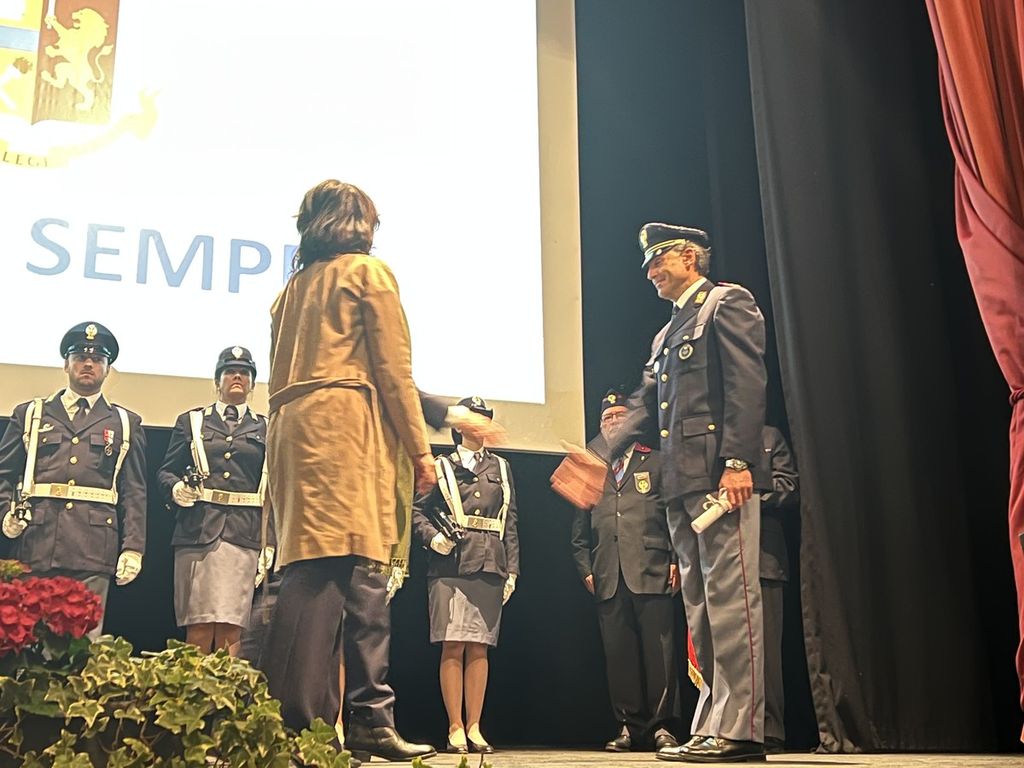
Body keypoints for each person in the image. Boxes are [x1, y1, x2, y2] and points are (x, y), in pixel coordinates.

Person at [554, 223, 769, 763]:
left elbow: (746, 385)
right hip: (679, 485)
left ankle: (741, 729)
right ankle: (713, 722)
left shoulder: (726, 304)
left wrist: (739, 462)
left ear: (689, 256)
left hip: (719, 481)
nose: (650, 272)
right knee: (701, 610)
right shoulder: (667, 333)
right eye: (648, 264)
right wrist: (598, 455)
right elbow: (645, 408)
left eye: (658, 261)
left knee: (732, 604)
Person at [258, 179, 436, 761]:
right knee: (327, 573)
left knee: (350, 575)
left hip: (293, 432)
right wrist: (421, 451)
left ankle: (367, 719)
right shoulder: (367, 274)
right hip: (342, 430)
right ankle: (303, 725)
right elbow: (393, 371)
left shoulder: (290, 291)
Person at [0, 321, 146, 639]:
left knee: (83, 644)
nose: (88, 364)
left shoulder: (125, 422)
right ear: (66, 364)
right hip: (37, 543)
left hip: (93, 549)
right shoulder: (31, 414)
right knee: (29, 642)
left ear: (108, 369)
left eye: (97, 359)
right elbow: (4, 476)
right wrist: (4, 515)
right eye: (80, 357)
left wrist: (133, 548)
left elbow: (134, 492)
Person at [570, 388, 680, 753]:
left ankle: (662, 727)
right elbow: (579, 530)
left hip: (652, 566)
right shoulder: (590, 468)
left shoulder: (656, 461)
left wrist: (677, 559)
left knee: (660, 653)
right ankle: (628, 726)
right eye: (607, 418)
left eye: (620, 416)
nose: (614, 422)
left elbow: (673, 515)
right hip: (607, 572)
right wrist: (585, 568)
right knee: (619, 656)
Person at [412, 396, 519, 755]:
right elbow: (417, 513)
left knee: (479, 646)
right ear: (459, 426)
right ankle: (455, 726)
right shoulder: (441, 466)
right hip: (451, 564)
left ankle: (475, 726)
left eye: (486, 418)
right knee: (453, 644)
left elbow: (510, 522)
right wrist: (434, 539)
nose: (481, 424)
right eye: (475, 418)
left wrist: (513, 569)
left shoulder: (501, 467)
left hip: (490, 562)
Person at [157, 345, 274, 655]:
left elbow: (274, 490)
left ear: (252, 383)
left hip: (244, 534)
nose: (237, 377)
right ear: (217, 380)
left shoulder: (266, 427)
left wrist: (271, 540)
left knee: (231, 628)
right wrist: (175, 488)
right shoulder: (192, 421)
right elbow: (166, 471)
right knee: (198, 625)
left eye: (244, 373)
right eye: (230, 372)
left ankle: (226, 687)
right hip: (198, 531)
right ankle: (192, 686)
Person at [758, 425, 799, 753]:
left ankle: (770, 730)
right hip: (718, 559)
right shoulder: (710, 438)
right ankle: (727, 726)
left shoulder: (769, 437)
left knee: (766, 652)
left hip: (764, 558)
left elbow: (788, 485)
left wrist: (750, 496)